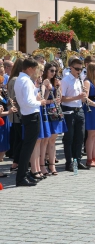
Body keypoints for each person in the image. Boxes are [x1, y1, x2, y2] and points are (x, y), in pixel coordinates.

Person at [14, 58, 47, 187]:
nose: (35, 72)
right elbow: (28, 102)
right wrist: (40, 102)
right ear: (29, 68)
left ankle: (24, 173)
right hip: (31, 115)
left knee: (28, 147)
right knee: (28, 147)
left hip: (28, 115)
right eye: (34, 69)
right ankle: (21, 177)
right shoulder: (26, 81)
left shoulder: (21, 79)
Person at [61, 58, 90, 172]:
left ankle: (77, 161)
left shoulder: (80, 80)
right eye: (77, 69)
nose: (79, 71)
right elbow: (62, 99)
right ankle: (69, 163)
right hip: (69, 111)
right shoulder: (66, 80)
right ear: (71, 68)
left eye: (81, 69)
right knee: (69, 138)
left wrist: (84, 97)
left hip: (79, 110)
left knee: (80, 137)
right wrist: (77, 97)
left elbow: (82, 98)